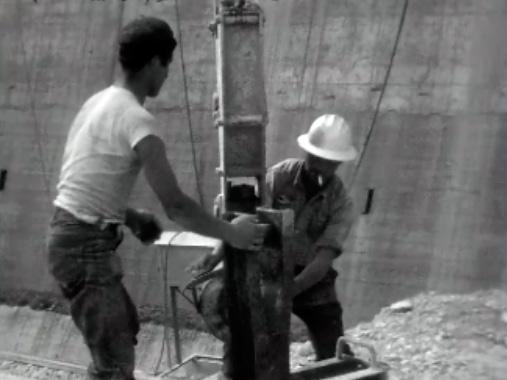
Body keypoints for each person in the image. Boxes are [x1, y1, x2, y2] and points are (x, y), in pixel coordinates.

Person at [46, 17, 264, 380]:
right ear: (152, 63)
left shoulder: (96, 104)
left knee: (123, 333)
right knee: (115, 365)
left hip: (70, 238)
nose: (166, 76)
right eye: (166, 66)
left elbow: (75, 185)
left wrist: (127, 215)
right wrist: (234, 234)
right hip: (85, 249)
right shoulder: (137, 120)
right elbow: (176, 206)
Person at [191, 113, 357, 363]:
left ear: (337, 164)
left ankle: (337, 368)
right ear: (307, 152)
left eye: (327, 162)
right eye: (315, 158)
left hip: (310, 275)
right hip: (267, 265)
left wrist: (291, 290)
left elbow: (323, 261)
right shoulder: (280, 176)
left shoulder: (341, 203)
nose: (318, 167)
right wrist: (216, 255)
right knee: (241, 330)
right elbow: (243, 221)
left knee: (330, 335)